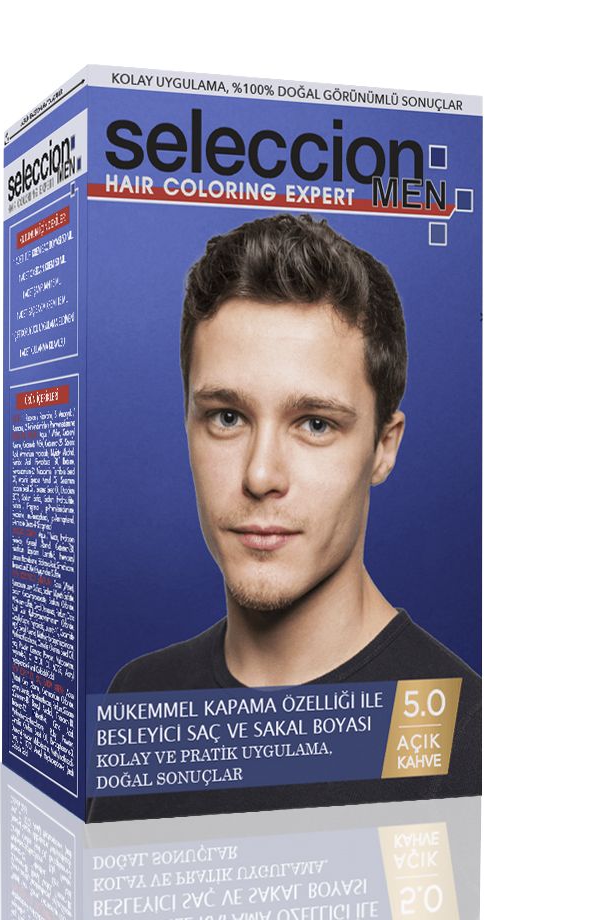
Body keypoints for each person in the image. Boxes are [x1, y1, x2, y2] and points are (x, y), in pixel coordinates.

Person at [88, 214, 480, 821]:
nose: (260, 474)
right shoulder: (141, 701)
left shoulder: (468, 738)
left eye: (315, 424)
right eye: (226, 417)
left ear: (384, 447)